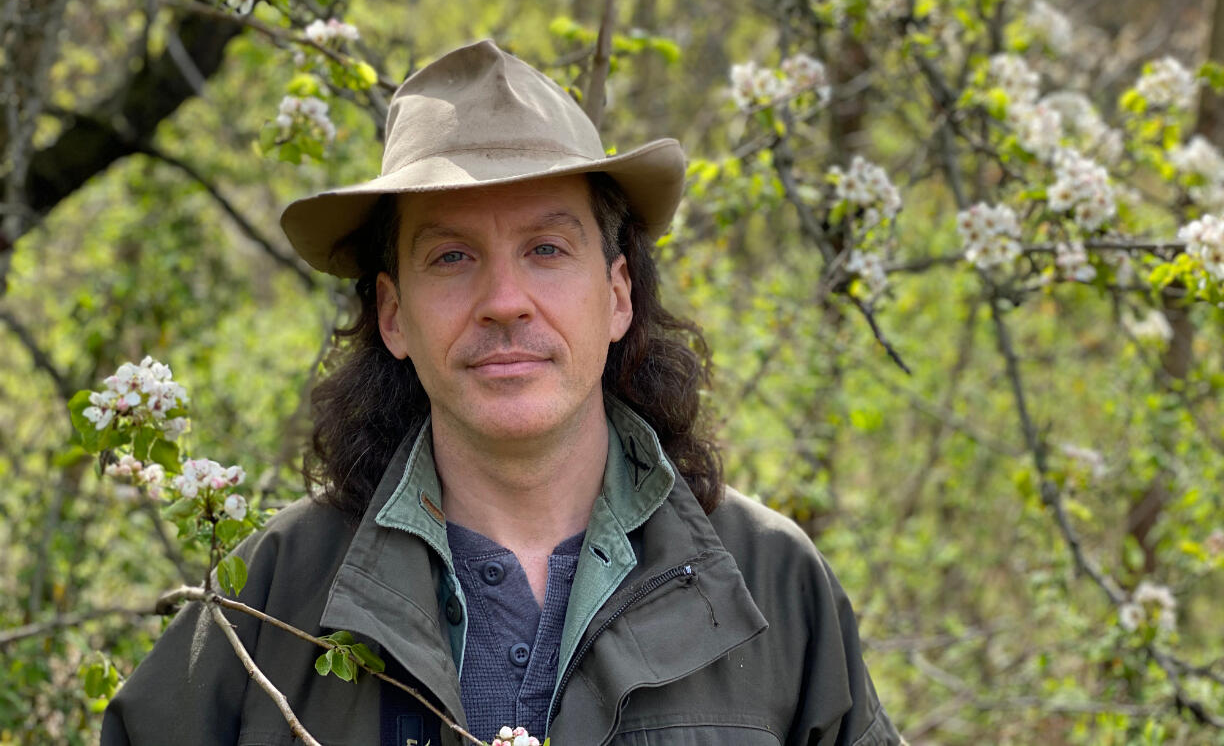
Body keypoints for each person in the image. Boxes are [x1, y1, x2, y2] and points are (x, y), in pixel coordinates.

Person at [102, 40, 902, 746]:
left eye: (546, 249)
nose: (505, 301)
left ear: (617, 294)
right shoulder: (276, 594)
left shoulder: (772, 586)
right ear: (393, 315)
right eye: (452, 257)